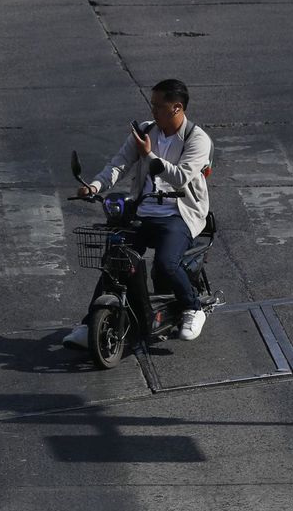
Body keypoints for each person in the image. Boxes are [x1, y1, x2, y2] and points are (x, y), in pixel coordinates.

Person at [63, 79, 213, 348]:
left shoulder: (197, 140)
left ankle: (193, 308)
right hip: (143, 212)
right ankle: (89, 325)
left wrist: (151, 156)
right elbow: (119, 164)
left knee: (167, 263)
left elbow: (181, 177)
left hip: (178, 215)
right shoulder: (146, 130)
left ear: (177, 108)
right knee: (115, 261)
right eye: (152, 104)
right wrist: (94, 185)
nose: (152, 110)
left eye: (158, 106)